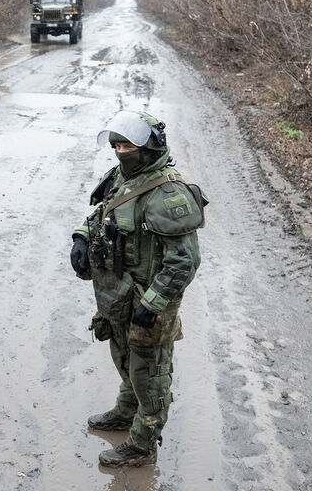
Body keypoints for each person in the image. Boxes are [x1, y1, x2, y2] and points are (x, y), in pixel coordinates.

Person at [70, 110, 205, 468]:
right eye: (116, 145)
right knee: (124, 359)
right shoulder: (122, 177)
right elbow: (101, 215)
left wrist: (154, 302)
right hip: (118, 296)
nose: (120, 151)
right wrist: (82, 237)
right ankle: (125, 411)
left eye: (128, 145)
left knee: (150, 376)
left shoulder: (168, 195)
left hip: (149, 302)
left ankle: (142, 445)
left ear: (149, 147)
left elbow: (184, 261)